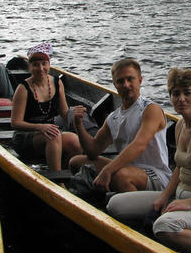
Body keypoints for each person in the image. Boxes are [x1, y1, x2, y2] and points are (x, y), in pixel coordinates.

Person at [106, 68, 191, 253]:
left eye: (187, 93)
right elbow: (179, 168)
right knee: (115, 205)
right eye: (176, 94)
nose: (181, 99)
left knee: (164, 226)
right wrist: (165, 196)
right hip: (179, 198)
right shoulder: (181, 125)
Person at [71, 58, 171, 193]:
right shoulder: (113, 118)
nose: (126, 84)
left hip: (156, 174)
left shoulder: (150, 109)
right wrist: (78, 125)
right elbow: (93, 150)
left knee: (121, 176)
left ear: (140, 80)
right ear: (115, 84)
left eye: (130, 79)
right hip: (126, 168)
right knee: (76, 162)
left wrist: (107, 170)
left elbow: (139, 145)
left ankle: (139, 211)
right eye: (120, 81)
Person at [10, 42, 82, 171]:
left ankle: (67, 174)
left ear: (49, 65)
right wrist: (41, 127)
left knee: (74, 141)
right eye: (36, 65)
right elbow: (15, 123)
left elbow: (64, 112)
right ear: (30, 67)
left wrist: (77, 119)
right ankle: (57, 181)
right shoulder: (23, 88)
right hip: (25, 137)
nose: (41, 68)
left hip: (50, 132)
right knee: (53, 135)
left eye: (44, 64)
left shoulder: (56, 82)